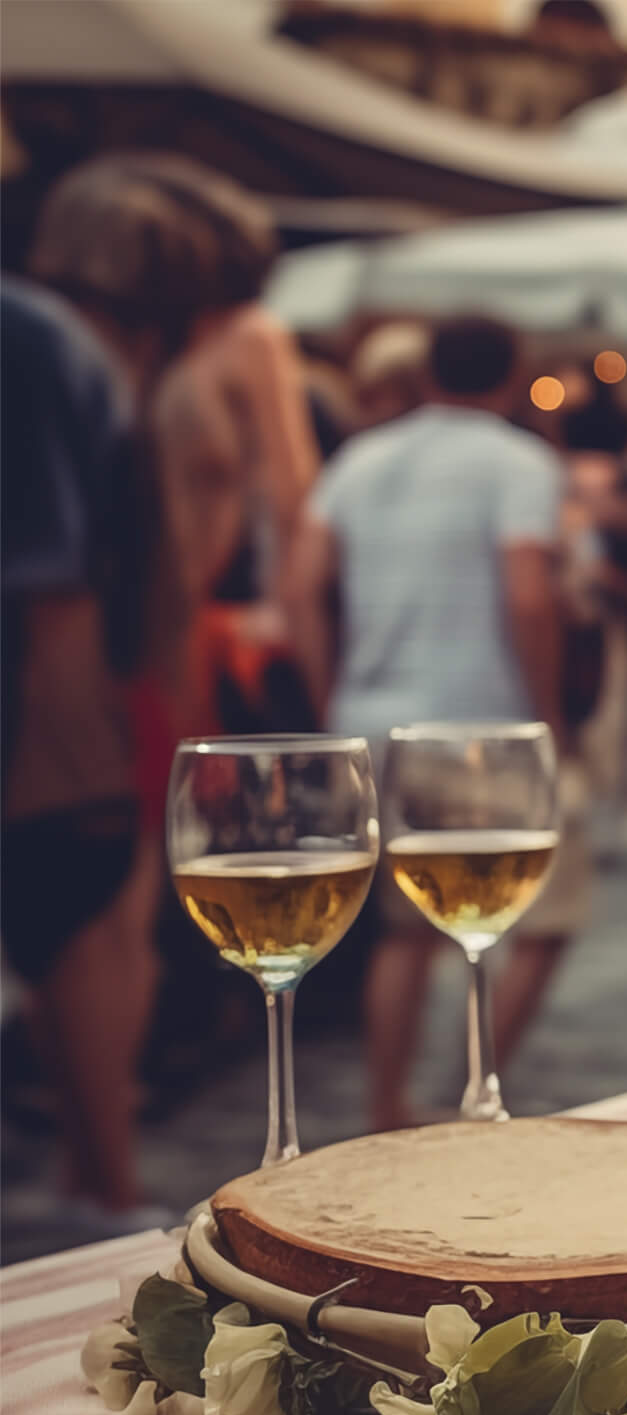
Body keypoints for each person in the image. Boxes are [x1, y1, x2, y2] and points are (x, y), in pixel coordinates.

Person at [3, 154, 278, 1231]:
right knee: (97, 927)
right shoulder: (57, 352)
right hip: (54, 729)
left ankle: (98, 1183)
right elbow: (49, 590)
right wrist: (84, 794)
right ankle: (103, 1195)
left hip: (76, 709)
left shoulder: (51, 345)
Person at [281, 316, 571, 1130]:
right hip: (481, 727)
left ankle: (387, 1106)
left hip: (370, 719)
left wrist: (331, 692)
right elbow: (528, 593)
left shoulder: (360, 459)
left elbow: (300, 585)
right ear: (511, 372)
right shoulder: (518, 462)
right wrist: (548, 716)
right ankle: (474, 1095)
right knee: (548, 915)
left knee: (405, 935)